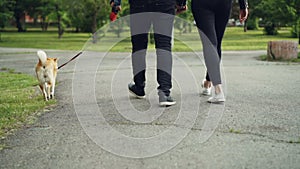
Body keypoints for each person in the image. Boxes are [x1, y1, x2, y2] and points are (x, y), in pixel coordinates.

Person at [110, 0, 187, 106]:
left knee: (139, 45)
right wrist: (181, 2)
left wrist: (116, 2)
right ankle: (164, 92)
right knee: (164, 46)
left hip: (139, 4)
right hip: (165, 4)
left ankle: (139, 86)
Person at [191, 0, 248, 103]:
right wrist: (243, 5)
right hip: (223, 3)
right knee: (215, 44)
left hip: (201, 4)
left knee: (210, 43)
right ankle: (208, 82)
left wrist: (180, 3)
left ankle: (218, 90)